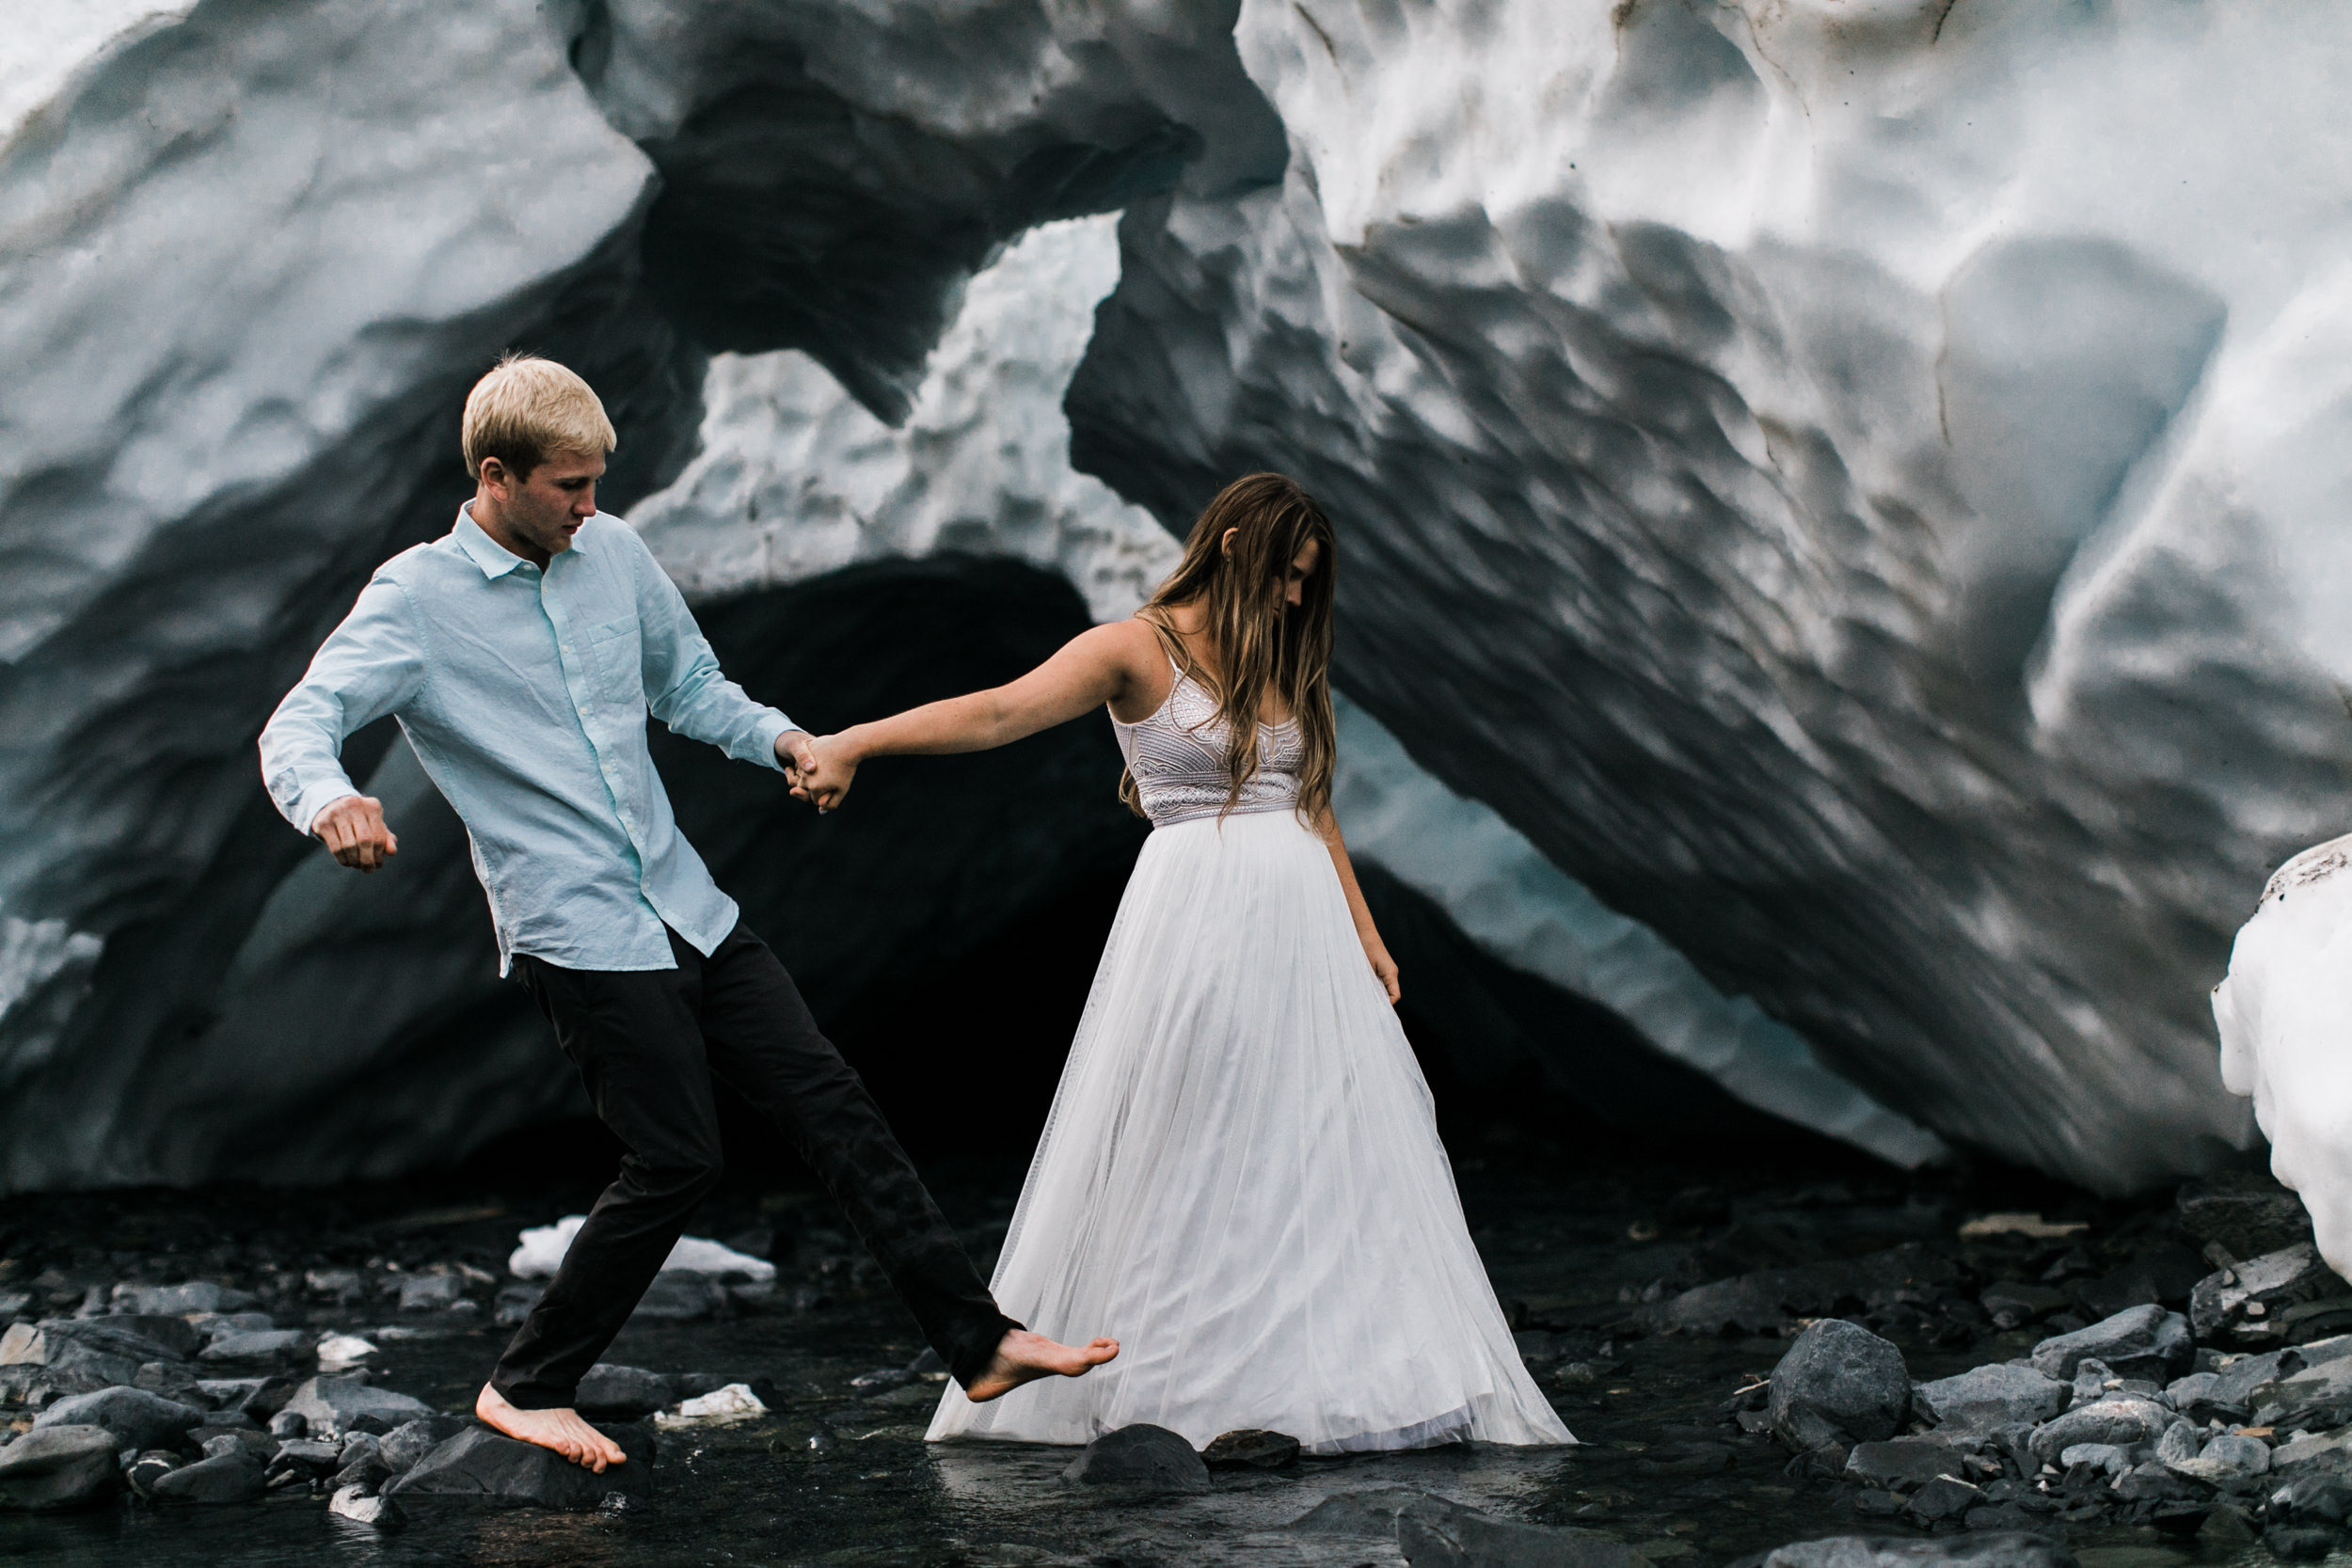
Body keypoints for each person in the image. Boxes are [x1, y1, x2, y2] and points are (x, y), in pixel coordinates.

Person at [257, 354, 1116, 1472]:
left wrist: (783, 739)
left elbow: (692, 688)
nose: (590, 504)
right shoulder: (414, 600)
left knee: (833, 1103)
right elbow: (297, 724)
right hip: (576, 925)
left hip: (684, 898)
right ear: (494, 473)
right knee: (675, 1156)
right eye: (568, 484)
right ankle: (527, 1384)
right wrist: (333, 800)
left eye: (597, 479)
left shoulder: (609, 553)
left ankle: (977, 1338)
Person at [789, 473, 1572, 1451]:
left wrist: (1364, 930)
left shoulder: (1281, 655)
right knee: (1202, 1126)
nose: (1294, 597)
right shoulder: (1133, 645)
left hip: (1306, 933)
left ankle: (1344, 1371)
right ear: (1234, 542)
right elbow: (998, 711)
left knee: (1324, 1140)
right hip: (1197, 920)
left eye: (1307, 582)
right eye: (1286, 573)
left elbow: (1311, 804)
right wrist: (854, 740)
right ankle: (1182, 1378)